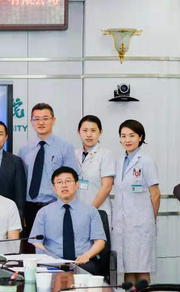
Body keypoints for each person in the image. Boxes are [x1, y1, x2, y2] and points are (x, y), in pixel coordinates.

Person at [19, 103, 80, 251]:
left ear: (53, 120)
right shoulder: (24, 149)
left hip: (55, 205)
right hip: (30, 207)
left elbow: (71, 179)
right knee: (32, 249)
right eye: (37, 119)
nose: (41, 122)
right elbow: (22, 181)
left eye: (45, 118)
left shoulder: (65, 147)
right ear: (31, 122)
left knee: (55, 248)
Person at [30, 166, 106, 274]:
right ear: (54, 187)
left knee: (88, 270)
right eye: (59, 182)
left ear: (77, 185)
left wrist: (87, 255)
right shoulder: (43, 213)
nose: (64, 185)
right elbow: (36, 242)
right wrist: (50, 259)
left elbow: (100, 241)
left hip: (83, 262)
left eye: (68, 181)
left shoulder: (91, 211)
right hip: (53, 262)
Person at [112, 120, 160, 285]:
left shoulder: (146, 161)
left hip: (141, 224)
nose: (127, 140)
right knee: (128, 269)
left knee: (142, 268)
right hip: (123, 224)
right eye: (123, 136)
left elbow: (156, 194)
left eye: (132, 135)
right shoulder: (119, 162)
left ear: (140, 137)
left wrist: (151, 219)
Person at [75, 115, 115, 224]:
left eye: (93, 130)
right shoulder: (74, 154)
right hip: (77, 210)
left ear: (100, 132)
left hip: (98, 209)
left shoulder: (106, 154)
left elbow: (107, 187)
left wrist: (90, 211)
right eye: (85, 130)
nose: (89, 134)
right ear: (79, 132)